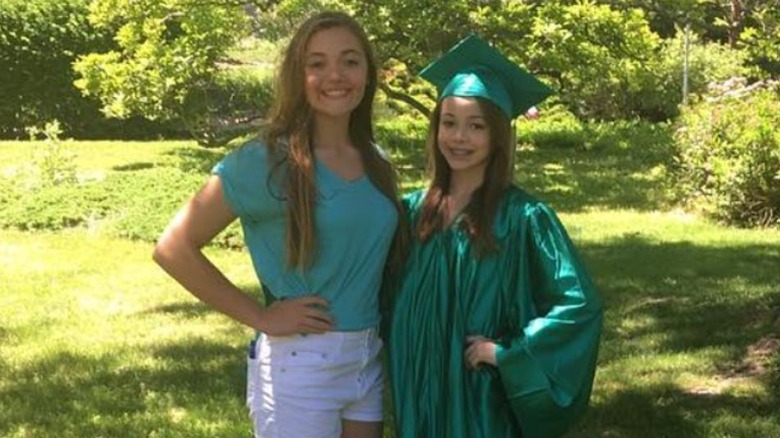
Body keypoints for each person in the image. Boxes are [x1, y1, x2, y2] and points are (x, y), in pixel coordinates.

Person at [153, 11, 406, 438]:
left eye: (350, 60)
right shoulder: (266, 161)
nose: (336, 75)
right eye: (317, 63)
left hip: (366, 356)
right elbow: (173, 246)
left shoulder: (374, 159)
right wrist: (261, 316)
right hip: (301, 363)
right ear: (296, 75)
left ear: (367, 72)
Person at [386, 34, 603, 438]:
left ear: (498, 135)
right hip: (419, 383)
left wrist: (509, 354)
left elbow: (579, 305)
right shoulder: (411, 212)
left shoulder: (524, 218)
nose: (459, 137)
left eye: (476, 126)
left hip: (481, 396)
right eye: (448, 123)